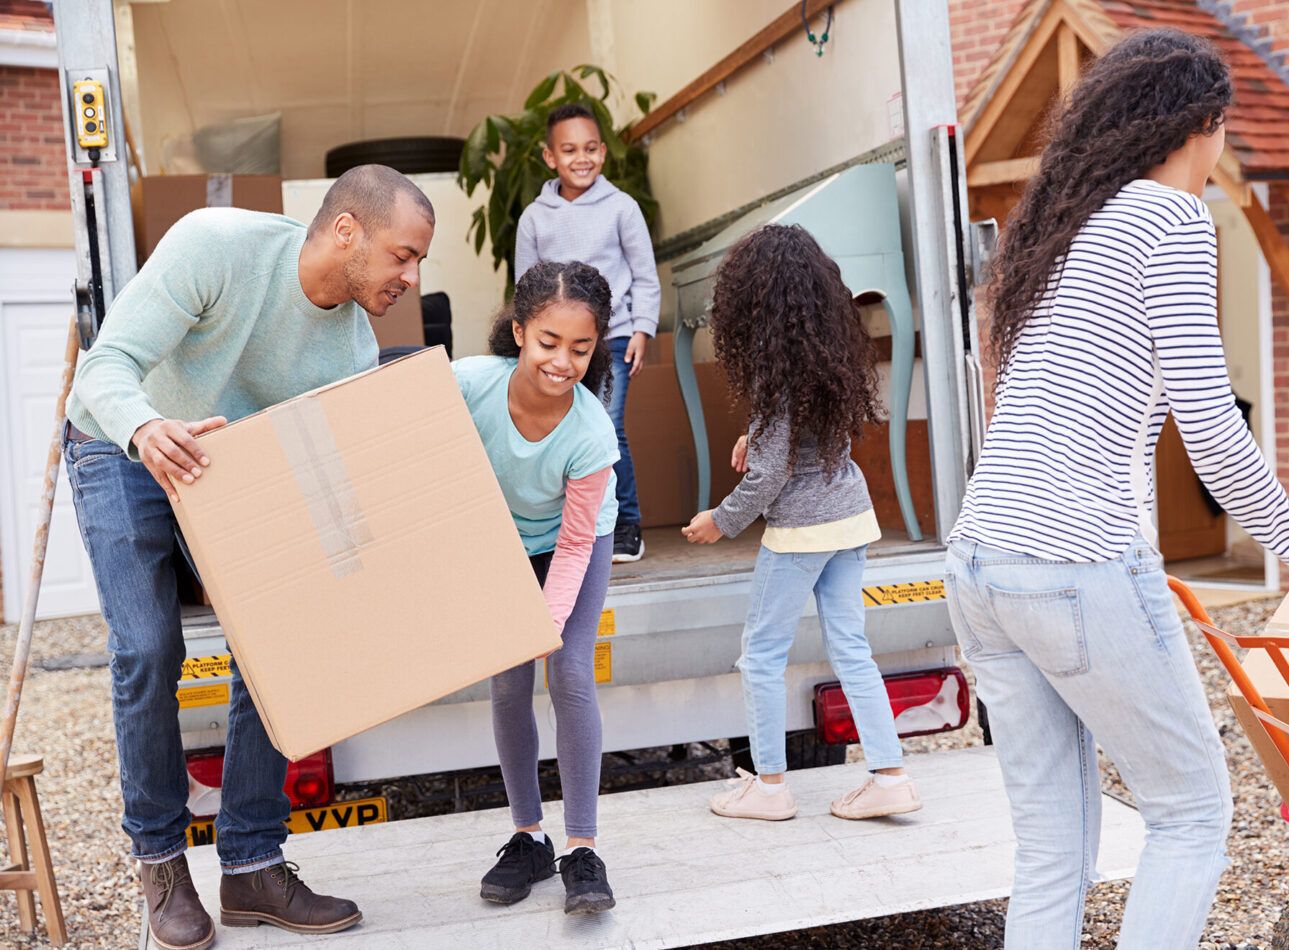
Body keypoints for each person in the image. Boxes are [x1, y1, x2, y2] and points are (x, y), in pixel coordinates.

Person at [945, 29, 1289, 949]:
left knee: (1052, 850)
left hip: (980, 564)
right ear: (1204, 128)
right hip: (1076, 564)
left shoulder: (1062, 226)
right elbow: (1211, 426)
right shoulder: (1170, 222)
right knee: (1190, 813)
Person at [65, 165, 435, 949]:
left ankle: (252, 866)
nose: (412, 276)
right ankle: (161, 860)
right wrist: (145, 428)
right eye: (403, 255)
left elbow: (320, 477)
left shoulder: (352, 347)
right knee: (147, 646)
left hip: (229, 473)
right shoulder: (216, 247)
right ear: (347, 232)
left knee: (278, 640)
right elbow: (103, 370)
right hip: (120, 444)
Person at [681, 223, 918, 822]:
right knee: (851, 649)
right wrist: (753, 436)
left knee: (761, 655)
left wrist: (720, 521)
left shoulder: (773, 366)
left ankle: (769, 788)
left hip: (802, 533)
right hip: (849, 517)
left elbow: (767, 478)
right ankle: (889, 775)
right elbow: (798, 436)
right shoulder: (827, 350)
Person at [452, 260, 620, 915]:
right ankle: (528, 837)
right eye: (549, 343)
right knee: (507, 678)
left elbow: (576, 544)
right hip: (501, 545)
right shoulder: (469, 383)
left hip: (574, 544)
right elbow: (397, 415)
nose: (562, 361)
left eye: (580, 349)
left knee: (569, 670)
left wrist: (544, 622)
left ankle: (581, 848)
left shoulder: (589, 432)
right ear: (519, 331)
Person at [514, 102, 660, 563]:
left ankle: (625, 525)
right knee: (562, 428)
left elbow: (644, 276)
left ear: (603, 152)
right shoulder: (535, 218)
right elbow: (526, 288)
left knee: (608, 428)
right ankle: (571, 525)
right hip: (557, 347)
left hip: (613, 339)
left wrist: (642, 329)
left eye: (592, 148)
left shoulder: (622, 208)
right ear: (549, 157)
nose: (583, 158)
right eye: (570, 149)